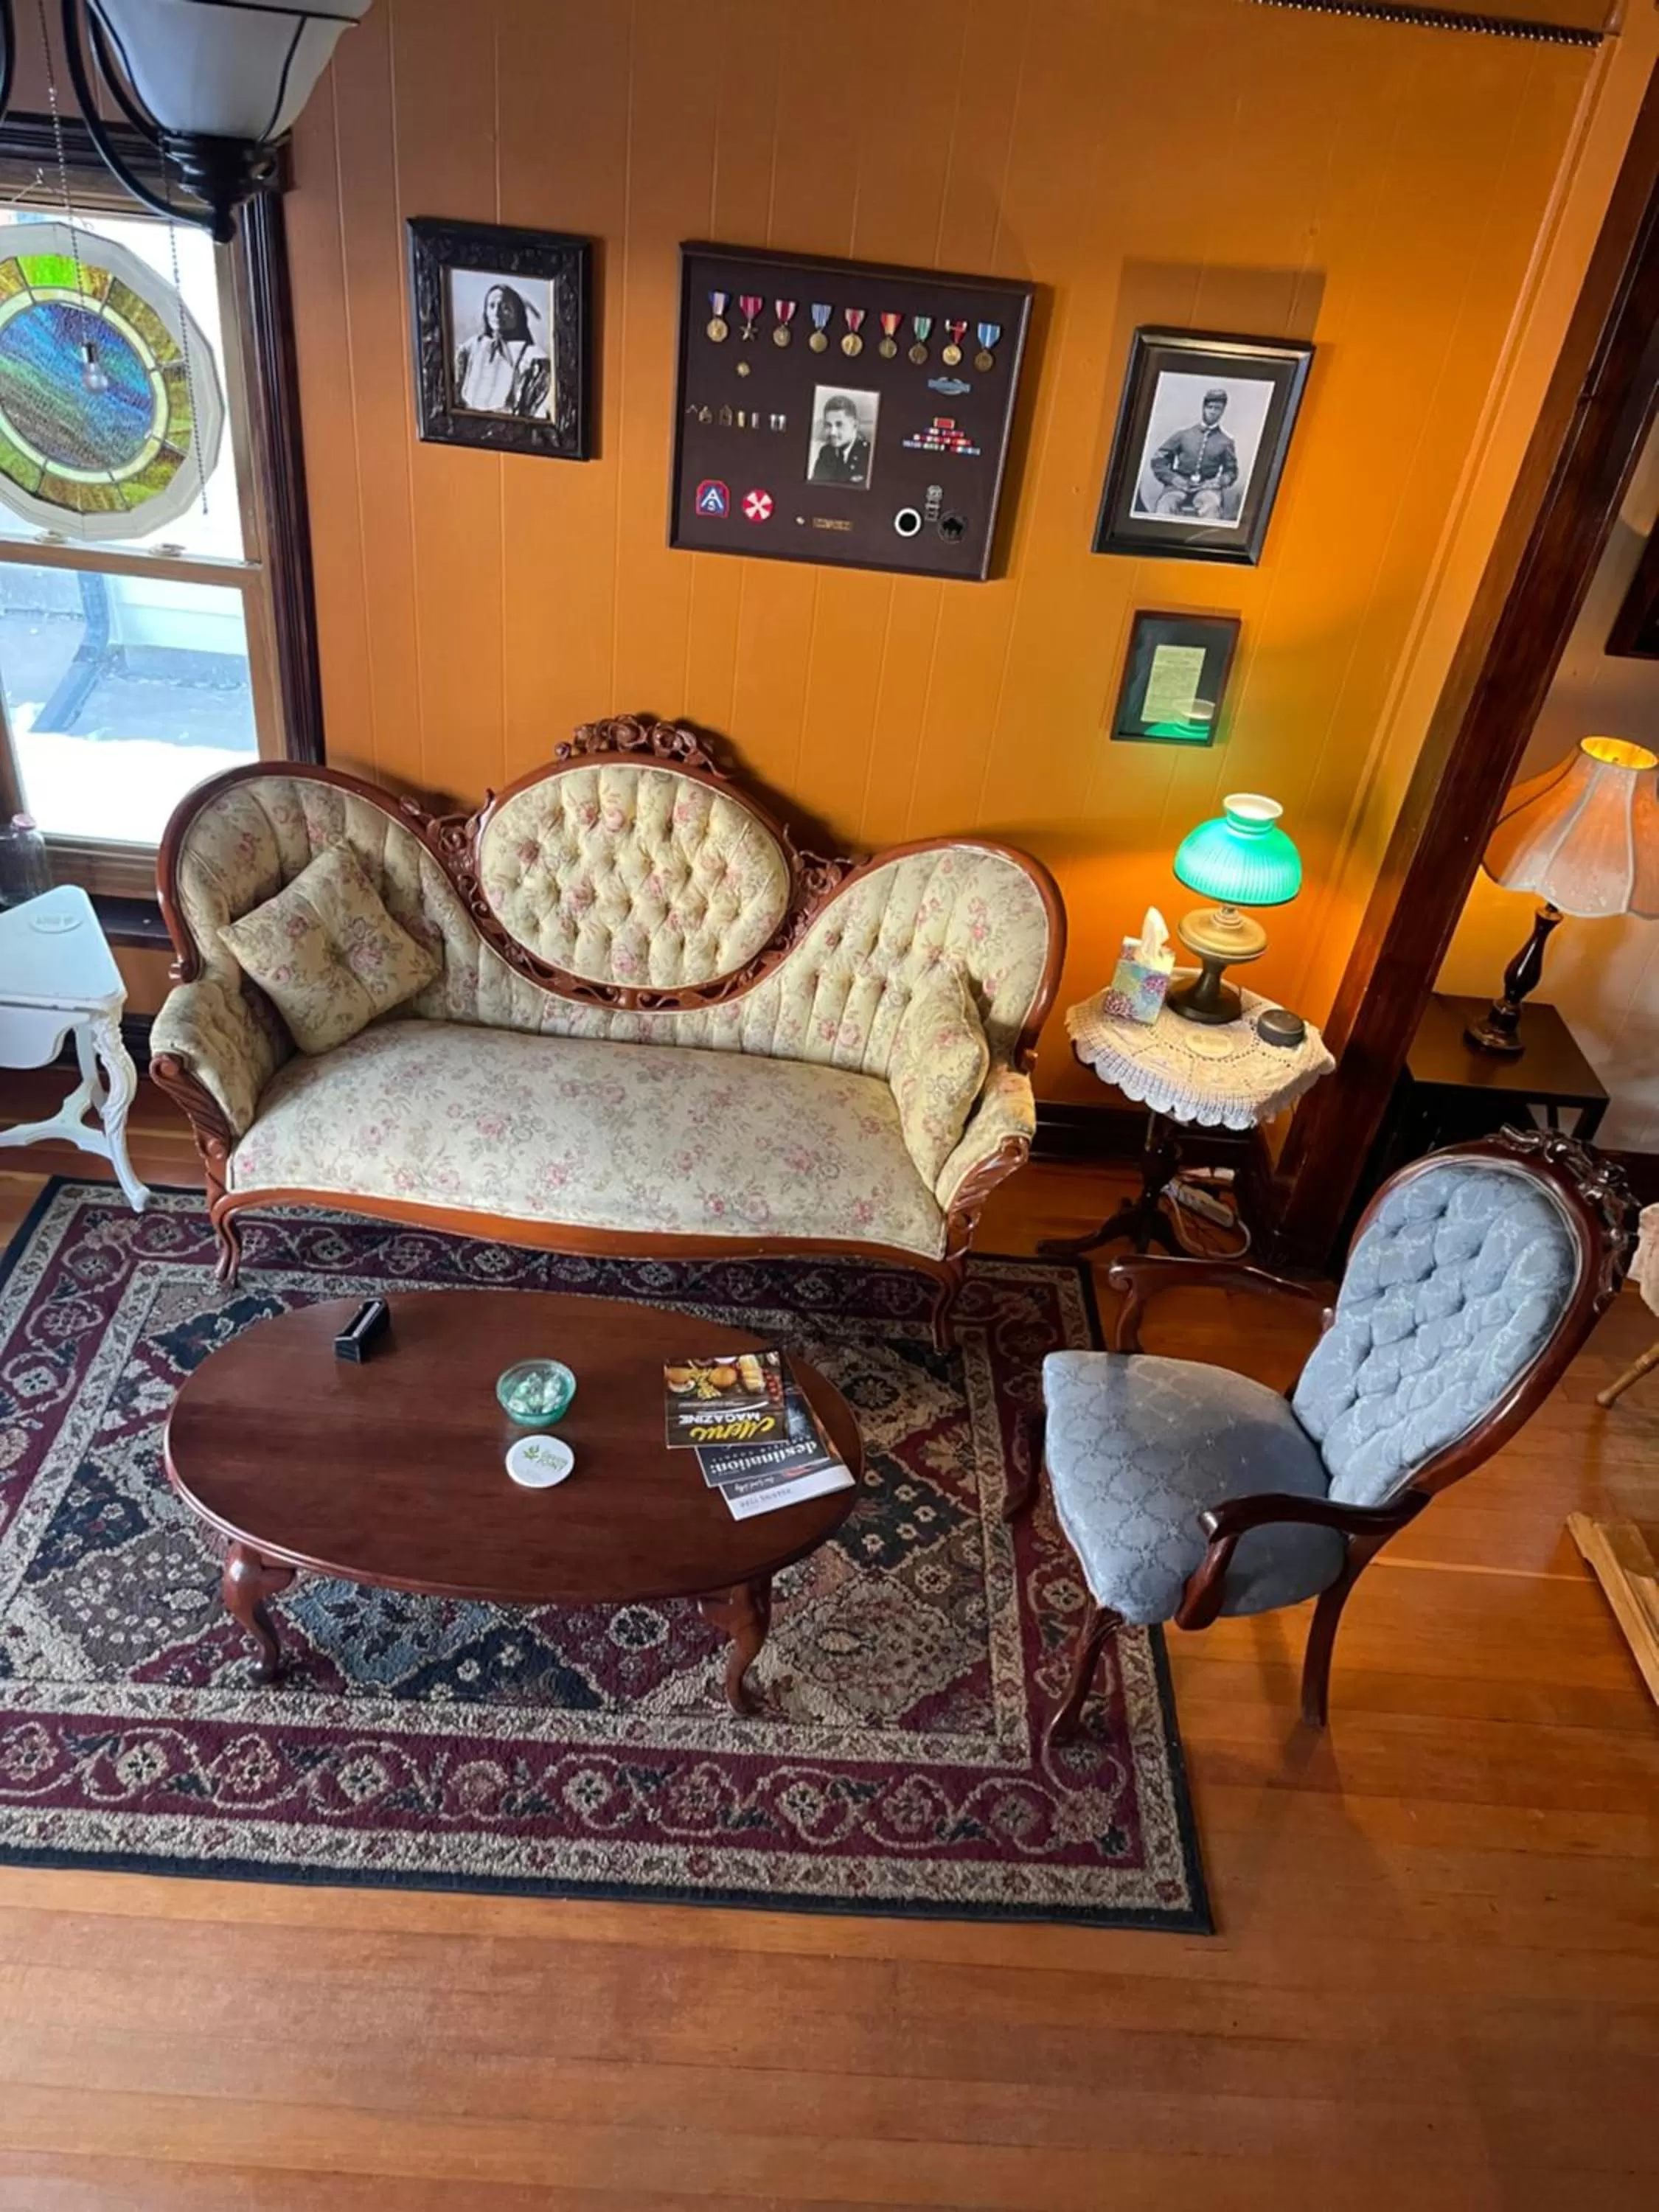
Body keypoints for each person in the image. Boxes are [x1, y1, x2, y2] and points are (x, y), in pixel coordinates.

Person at [454, 282, 552, 417]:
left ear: (518, 314)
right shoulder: (472, 347)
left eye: (505, 307)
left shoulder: (532, 357)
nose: (497, 313)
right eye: (492, 306)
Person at [1145, 387, 1238, 519]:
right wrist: (1173, 478)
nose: (1213, 412)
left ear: (1222, 411)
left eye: (1217, 409)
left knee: (1212, 506)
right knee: (1165, 505)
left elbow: (1232, 471)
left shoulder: (1226, 441)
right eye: (1210, 407)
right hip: (1178, 486)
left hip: (1207, 488)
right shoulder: (1184, 435)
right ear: (1203, 408)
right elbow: (1158, 460)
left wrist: (1220, 481)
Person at [810, 394, 872, 487]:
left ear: (855, 425)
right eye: (829, 425)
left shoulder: (868, 454)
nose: (832, 433)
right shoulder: (826, 452)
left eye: (839, 425)